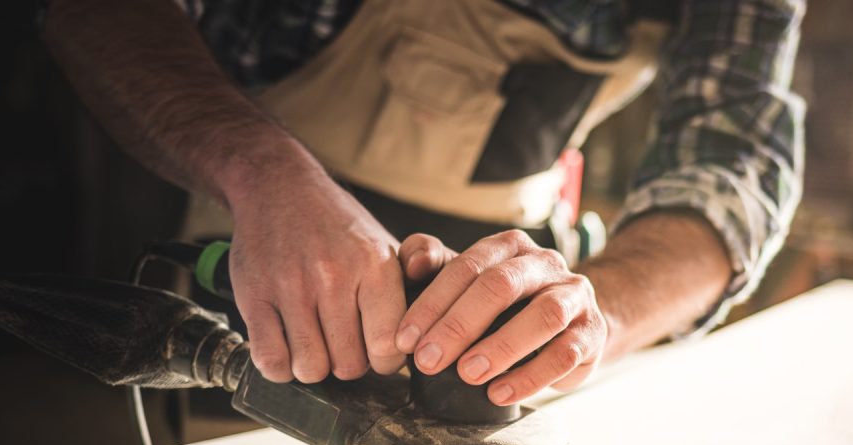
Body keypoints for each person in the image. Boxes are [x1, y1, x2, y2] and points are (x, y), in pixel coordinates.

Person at [42, 0, 804, 406]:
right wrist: (261, 169)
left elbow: (732, 160)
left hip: (512, 272)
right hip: (266, 241)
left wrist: (601, 319)